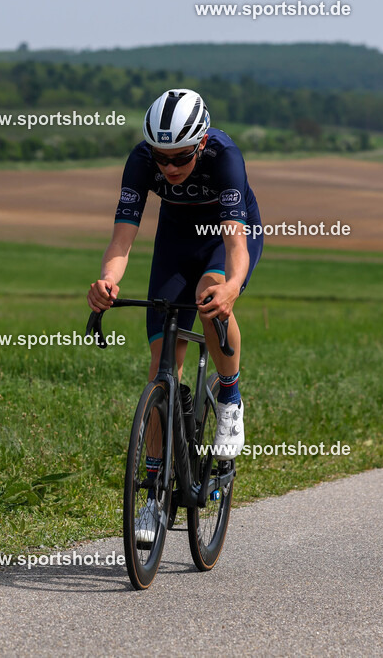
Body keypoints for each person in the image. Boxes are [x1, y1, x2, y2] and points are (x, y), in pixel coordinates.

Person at [86, 89, 263, 541]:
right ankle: (153, 498)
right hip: (175, 240)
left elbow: (236, 246)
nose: (168, 167)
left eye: (180, 157)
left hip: (223, 241)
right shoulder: (141, 161)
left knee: (209, 298)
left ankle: (229, 398)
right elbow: (122, 240)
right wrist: (107, 281)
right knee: (162, 365)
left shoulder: (225, 158)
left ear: (201, 144)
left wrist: (231, 288)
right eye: (160, 157)